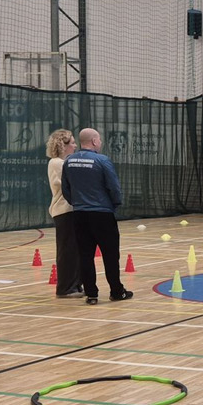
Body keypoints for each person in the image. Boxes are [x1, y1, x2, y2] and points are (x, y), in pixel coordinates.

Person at [61, 127, 131, 304]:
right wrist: (114, 205)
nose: (100, 142)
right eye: (99, 139)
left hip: (80, 214)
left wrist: (77, 203)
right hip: (102, 214)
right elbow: (114, 187)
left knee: (85, 255)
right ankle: (116, 291)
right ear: (94, 141)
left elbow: (65, 188)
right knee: (110, 254)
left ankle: (91, 294)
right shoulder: (102, 160)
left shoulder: (69, 161)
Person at [44, 128, 82, 298]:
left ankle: (76, 284)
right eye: (72, 143)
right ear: (63, 145)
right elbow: (65, 184)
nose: (75, 146)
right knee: (67, 251)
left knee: (75, 250)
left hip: (72, 210)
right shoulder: (57, 163)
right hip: (64, 210)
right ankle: (65, 288)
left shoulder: (65, 162)